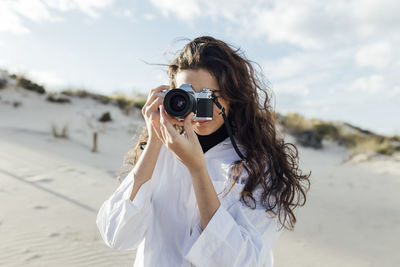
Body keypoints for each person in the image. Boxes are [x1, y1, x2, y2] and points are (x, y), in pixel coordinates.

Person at [96, 36, 311, 267]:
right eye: (187, 95)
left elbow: (243, 261)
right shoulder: (160, 150)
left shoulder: (259, 163)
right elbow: (116, 236)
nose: (196, 108)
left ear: (232, 96)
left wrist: (197, 169)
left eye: (207, 97)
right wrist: (155, 139)